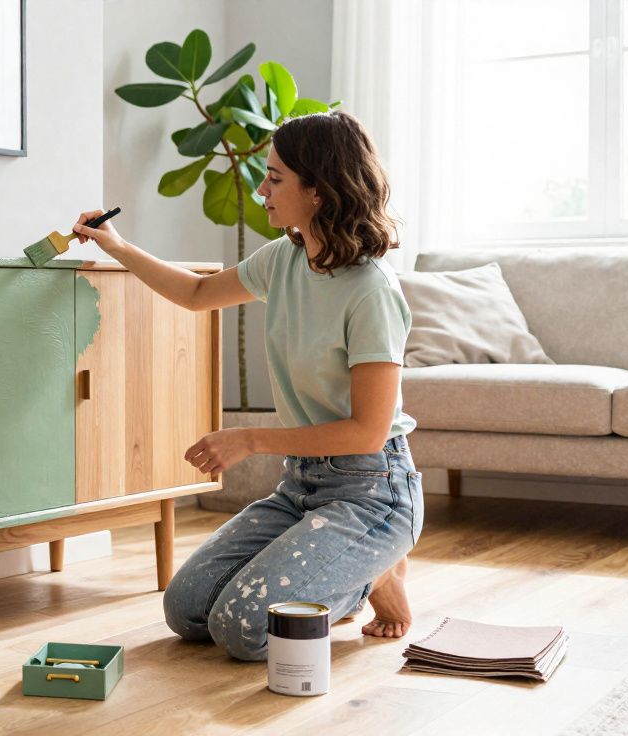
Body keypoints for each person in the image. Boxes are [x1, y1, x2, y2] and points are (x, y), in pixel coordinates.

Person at [71, 110, 422, 661]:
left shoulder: (370, 290)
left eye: (276, 177)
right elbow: (194, 293)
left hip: (371, 491)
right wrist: (115, 245)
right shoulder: (284, 257)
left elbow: (367, 431)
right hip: (302, 488)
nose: (261, 189)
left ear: (319, 190)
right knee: (186, 610)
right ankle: (347, 565)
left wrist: (251, 439)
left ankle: (377, 574)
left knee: (243, 630)